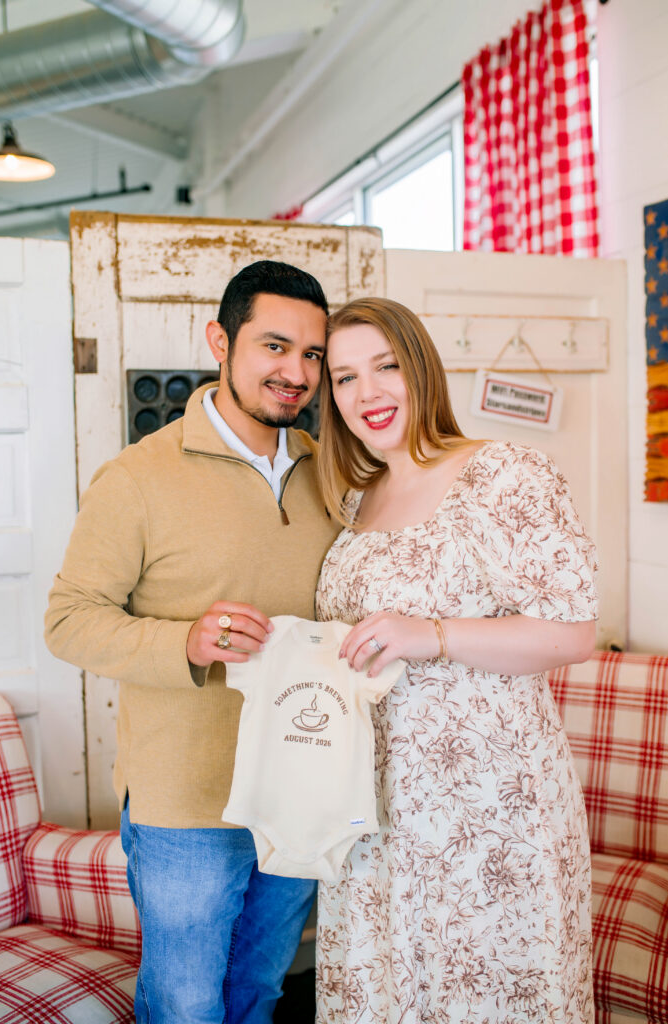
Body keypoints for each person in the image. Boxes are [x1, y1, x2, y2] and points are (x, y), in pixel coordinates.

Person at [44, 260, 339, 1024]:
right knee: (183, 1004)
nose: (295, 372)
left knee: (261, 992)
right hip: (185, 804)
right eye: (274, 346)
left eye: (311, 354)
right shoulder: (136, 478)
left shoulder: (328, 475)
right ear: (220, 340)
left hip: (298, 790)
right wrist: (189, 641)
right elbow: (69, 619)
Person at [313, 297, 597, 1024]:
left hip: (488, 806)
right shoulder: (356, 498)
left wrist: (430, 633)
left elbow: (571, 634)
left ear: (421, 369)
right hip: (375, 806)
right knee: (388, 992)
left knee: (487, 991)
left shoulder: (502, 474)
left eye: (385, 366)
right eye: (344, 378)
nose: (366, 393)